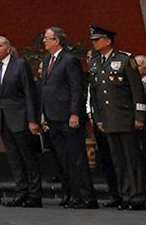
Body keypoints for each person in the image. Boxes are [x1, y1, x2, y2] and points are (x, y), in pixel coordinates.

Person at [89, 26, 146, 211]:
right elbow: (96, 94)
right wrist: (98, 119)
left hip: (126, 117)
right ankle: (125, 195)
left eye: (97, 39)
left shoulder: (124, 59)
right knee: (118, 161)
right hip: (108, 119)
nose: (94, 42)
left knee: (131, 159)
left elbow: (137, 91)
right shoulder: (95, 63)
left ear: (107, 40)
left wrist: (139, 116)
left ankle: (137, 196)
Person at [40, 26, 98, 209]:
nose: (44, 41)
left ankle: (87, 197)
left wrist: (75, 113)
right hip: (52, 117)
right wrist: (43, 112)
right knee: (64, 159)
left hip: (68, 116)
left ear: (57, 40)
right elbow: (44, 88)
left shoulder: (69, 59)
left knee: (77, 158)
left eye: (47, 38)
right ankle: (74, 195)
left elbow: (76, 88)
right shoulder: (48, 59)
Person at [0, 34, 45, 208]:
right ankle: (21, 192)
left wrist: (32, 120)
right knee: (13, 158)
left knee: (28, 157)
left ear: (7, 47)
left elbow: (29, 93)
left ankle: (35, 195)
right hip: (3, 119)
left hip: (20, 117)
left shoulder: (19, 65)